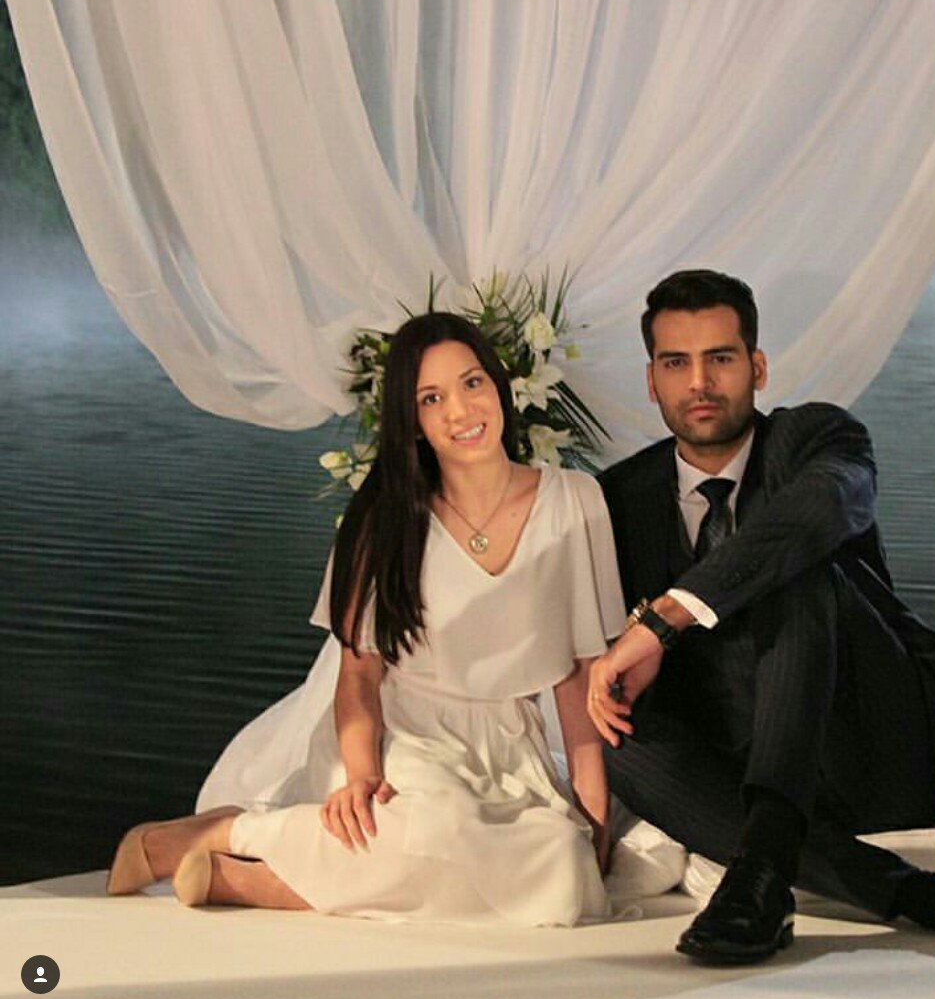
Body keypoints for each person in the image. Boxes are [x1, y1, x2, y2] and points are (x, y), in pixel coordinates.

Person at [588, 269, 935, 963]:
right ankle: (910, 895)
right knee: (606, 721)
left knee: (795, 567)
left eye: (720, 358)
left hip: (875, 745)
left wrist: (663, 618)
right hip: (737, 764)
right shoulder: (620, 495)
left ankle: (765, 868)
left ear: (758, 367)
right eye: (676, 363)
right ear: (651, 380)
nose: (699, 382)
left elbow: (823, 508)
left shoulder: (819, 438)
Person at [107, 312, 626, 925]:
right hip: (405, 736)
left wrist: (593, 812)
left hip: (511, 750)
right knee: (436, 827)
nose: (460, 411)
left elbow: (580, 674)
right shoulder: (385, 519)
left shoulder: (574, 500)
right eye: (431, 399)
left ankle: (240, 873)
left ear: (499, 386)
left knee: (565, 872)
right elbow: (358, 676)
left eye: (472, 383)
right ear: (412, 422)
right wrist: (362, 776)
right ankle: (227, 834)